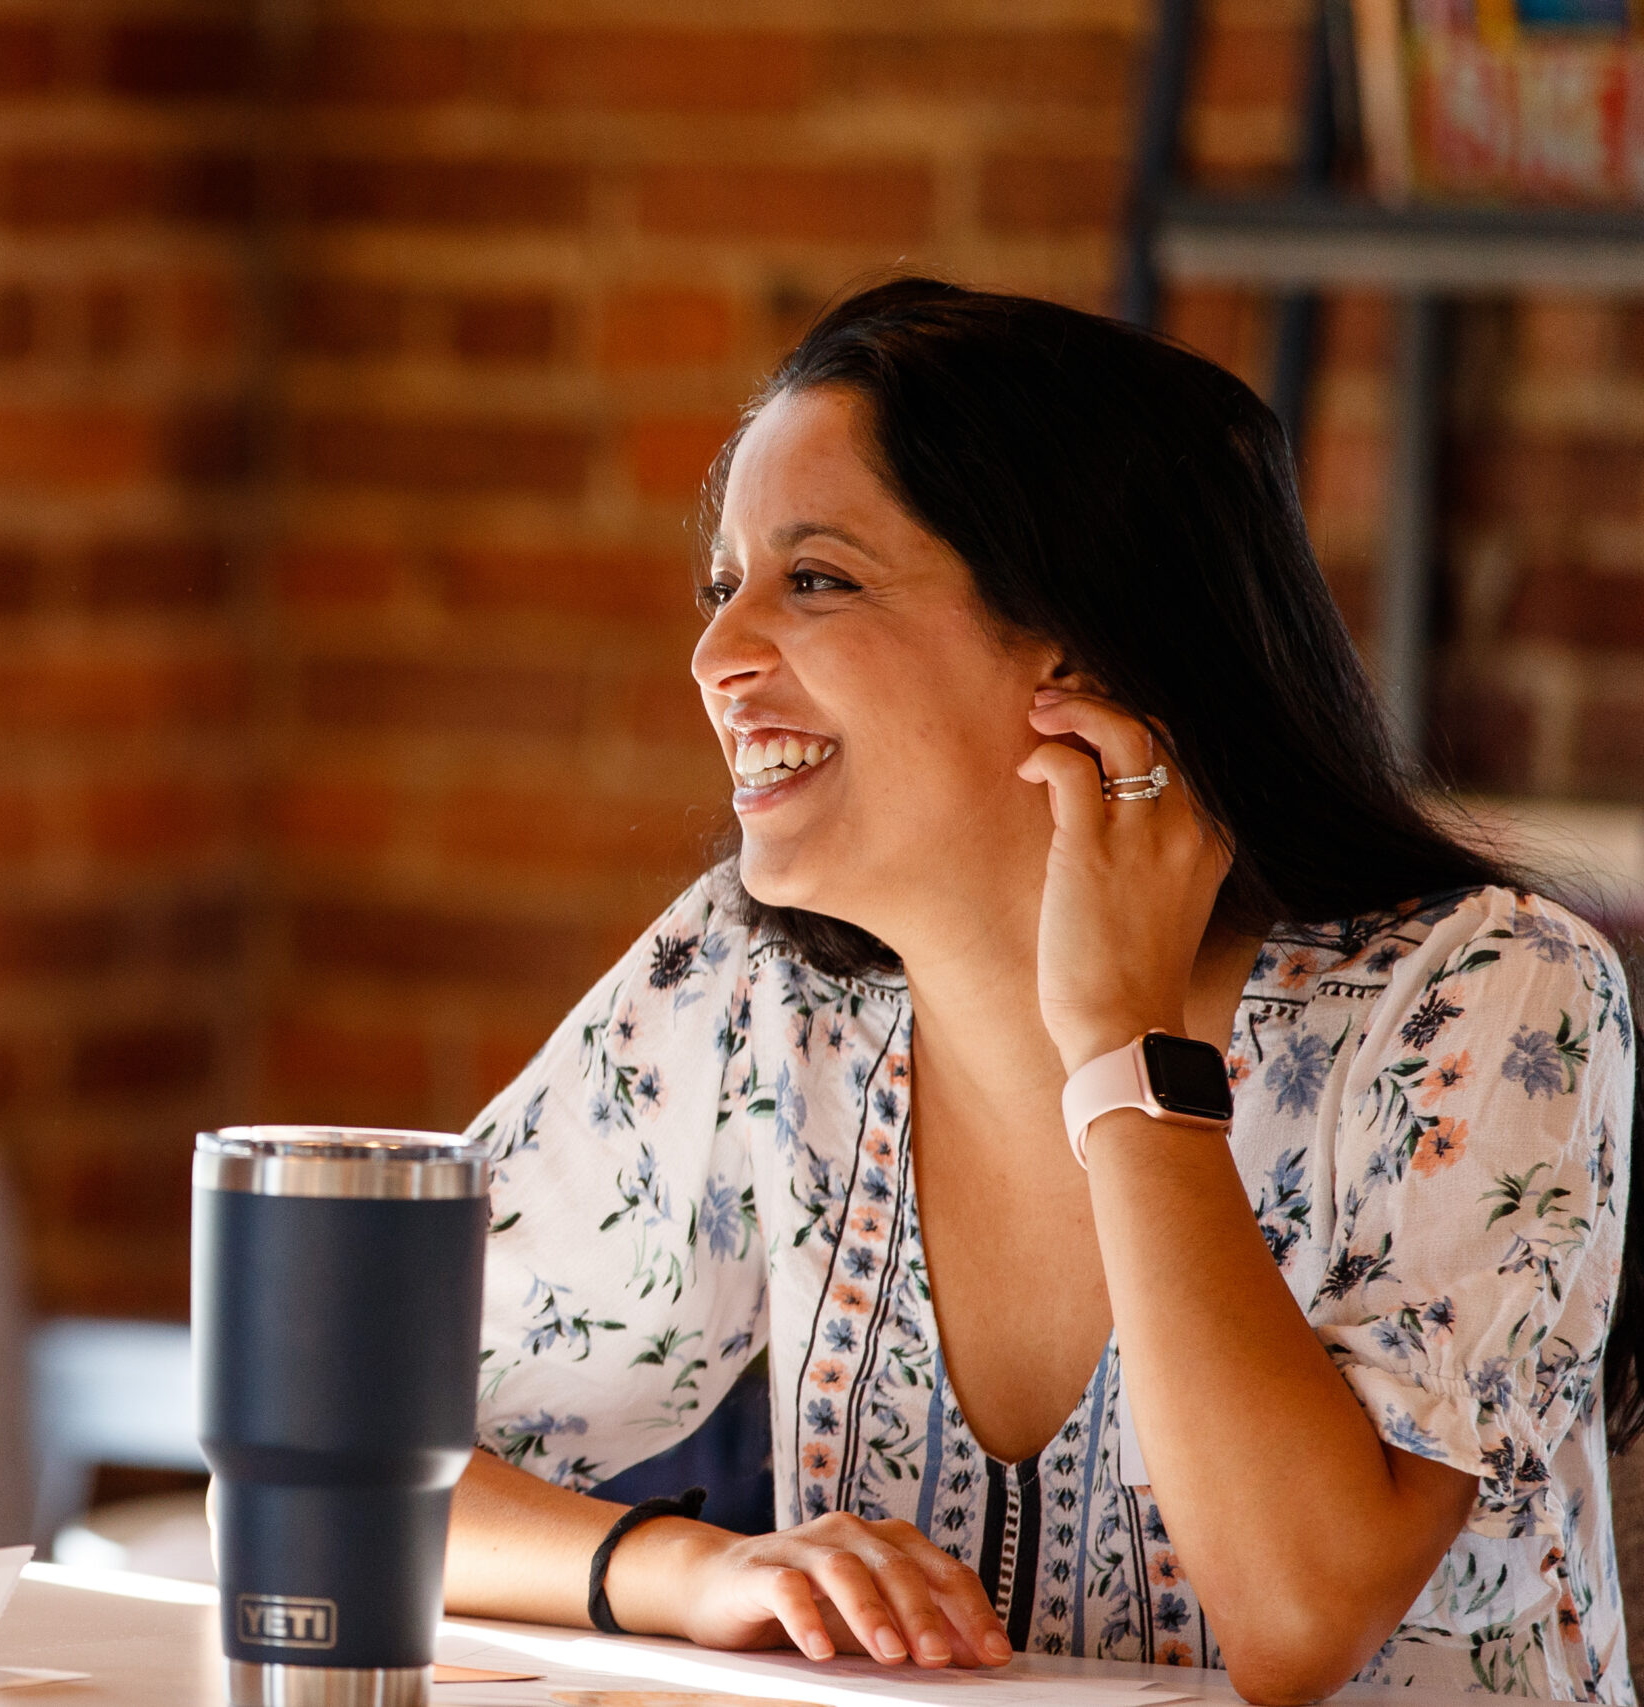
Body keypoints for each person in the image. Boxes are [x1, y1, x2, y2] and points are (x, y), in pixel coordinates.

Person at [441, 278, 1638, 1704]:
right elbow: (321, 1452)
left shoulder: (1484, 1000)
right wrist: (690, 1572)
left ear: (1075, 651)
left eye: (815, 579)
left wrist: (1125, 1046)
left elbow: (1297, 1619)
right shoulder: (755, 995)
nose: (718, 658)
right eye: (725, 587)